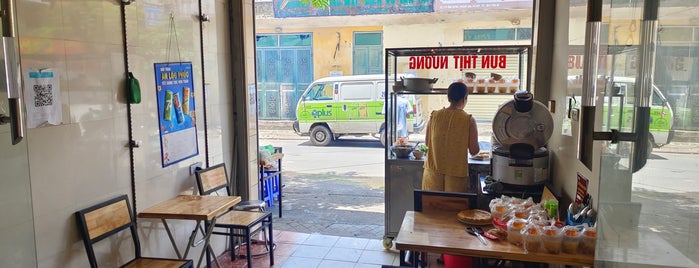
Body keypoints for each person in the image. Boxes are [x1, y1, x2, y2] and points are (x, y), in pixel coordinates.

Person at [422, 82, 480, 193]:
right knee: (453, 209)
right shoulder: (468, 120)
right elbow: (474, 151)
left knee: (432, 209)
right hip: (455, 176)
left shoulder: (434, 116)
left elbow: (427, 143)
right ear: (464, 98)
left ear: (448, 97)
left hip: (432, 174)